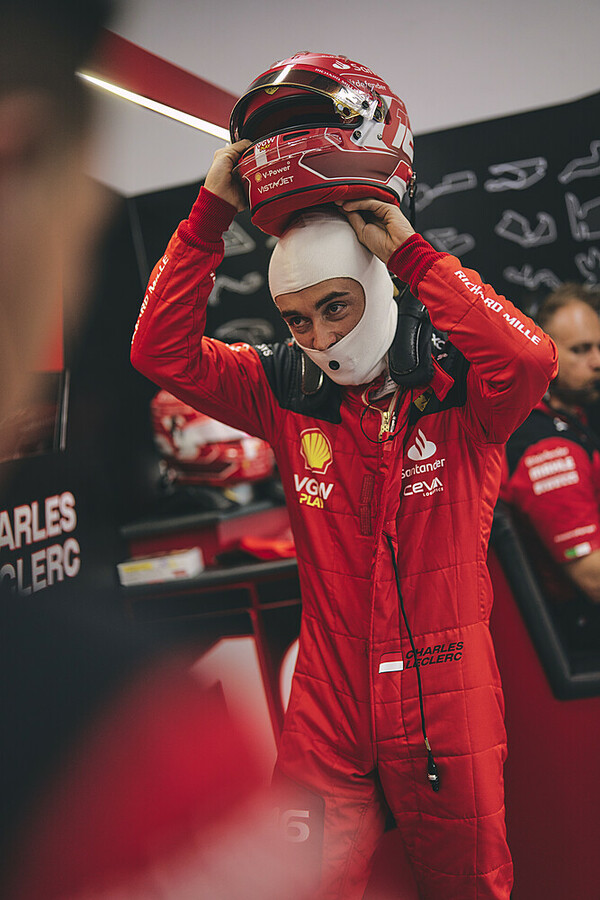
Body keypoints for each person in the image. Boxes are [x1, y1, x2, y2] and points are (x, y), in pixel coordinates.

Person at [131, 52, 558, 900]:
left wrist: (411, 252)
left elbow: (530, 359)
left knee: (467, 889)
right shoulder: (281, 390)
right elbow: (159, 350)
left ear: (382, 290)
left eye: (336, 306)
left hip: (447, 688)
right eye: (296, 320)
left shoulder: (463, 393)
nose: (320, 338)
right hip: (329, 698)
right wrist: (210, 214)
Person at [502, 285, 600, 645]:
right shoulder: (548, 449)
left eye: (599, 347)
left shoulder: (570, 417)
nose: (597, 361)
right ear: (548, 354)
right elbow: (592, 577)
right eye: (581, 350)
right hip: (584, 634)